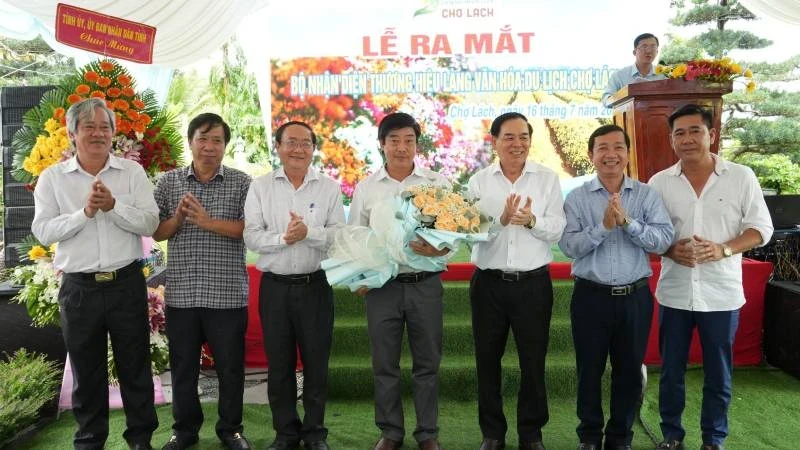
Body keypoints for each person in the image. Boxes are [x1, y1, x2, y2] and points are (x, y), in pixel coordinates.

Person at [31, 97, 159, 450]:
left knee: (135, 365)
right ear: (72, 134)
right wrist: (85, 212)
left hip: (126, 284)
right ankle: (89, 440)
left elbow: (151, 222)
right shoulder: (53, 178)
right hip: (79, 289)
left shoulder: (131, 173)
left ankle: (141, 439)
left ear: (115, 133)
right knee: (87, 372)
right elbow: (43, 231)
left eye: (105, 127)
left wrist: (114, 207)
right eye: (89, 127)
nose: (98, 133)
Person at [648, 104, 773, 450]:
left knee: (718, 374)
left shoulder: (741, 176)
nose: (687, 139)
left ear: (711, 134)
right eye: (679, 133)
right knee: (672, 371)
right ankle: (672, 436)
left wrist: (724, 250)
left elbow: (761, 229)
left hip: (720, 294)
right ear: (672, 139)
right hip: (675, 292)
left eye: (695, 131)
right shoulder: (659, 182)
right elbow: (652, 235)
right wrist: (672, 250)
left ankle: (713, 439)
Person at [558, 125, 674, 450]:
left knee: (628, 372)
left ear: (627, 153)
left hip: (634, 297)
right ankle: (590, 437)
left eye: (618, 147)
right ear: (591, 155)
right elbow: (569, 246)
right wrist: (604, 227)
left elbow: (664, 239)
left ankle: (620, 437)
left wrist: (627, 223)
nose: (611, 154)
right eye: (602, 148)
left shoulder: (646, 195)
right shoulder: (577, 199)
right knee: (589, 371)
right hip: (590, 298)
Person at [348, 112, 450, 450]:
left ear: (416, 144)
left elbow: (454, 235)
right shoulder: (366, 188)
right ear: (381, 144)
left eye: (408, 140)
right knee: (384, 363)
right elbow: (356, 237)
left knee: (427, 363)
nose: (402, 147)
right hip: (382, 288)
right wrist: (363, 275)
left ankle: (428, 433)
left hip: (425, 284)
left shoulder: (437, 183)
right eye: (394, 140)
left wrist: (438, 250)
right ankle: (390, 431)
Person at [467, 112, 566, 450]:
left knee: (533, 361)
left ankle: (531, 433)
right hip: (489, 285)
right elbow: (472, 233)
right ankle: (492, 433)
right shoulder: (479, 181)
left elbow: (557, 228)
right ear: (494, 142)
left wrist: (532, 221)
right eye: (509, 137)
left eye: (523, 136)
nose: (517, 143)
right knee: (487, 360)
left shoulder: (547, 179)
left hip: (533, 286)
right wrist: (501, 220)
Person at [153, 113, 252, 450]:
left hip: (226, 296)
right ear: (190, 140)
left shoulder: (242, 183)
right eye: (203, 138)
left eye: (217, 141)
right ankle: (184, 430)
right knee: (183, 368)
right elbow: (157, 232)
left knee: (230, 369)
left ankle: (231, 430)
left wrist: (208, 222)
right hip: (182, 294)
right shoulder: (168, 183)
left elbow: (249, 231)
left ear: (225, 145)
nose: (210, 147)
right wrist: (178, 217)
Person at [243, 121, 344, 450]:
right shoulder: (260, 187)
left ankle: (315, 433)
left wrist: (308, 234)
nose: (298, 149)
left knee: (317, 364)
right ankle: (285, 433)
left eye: (305, 143)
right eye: (291, 142)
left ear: (313, 148)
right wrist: (284, 238)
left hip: (315, 286)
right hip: (275, 289)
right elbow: (251, 236)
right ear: (278, 146)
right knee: (280, 364)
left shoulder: (328, 188)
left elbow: (339, 237)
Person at [602, 33, 666, 106]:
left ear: (657, 51)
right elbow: (606, 100)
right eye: (644, 46)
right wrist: (625, 95)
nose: (648, 51)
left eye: (653, 47)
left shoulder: (663, 76)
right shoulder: (619, 75)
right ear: (634, 52)